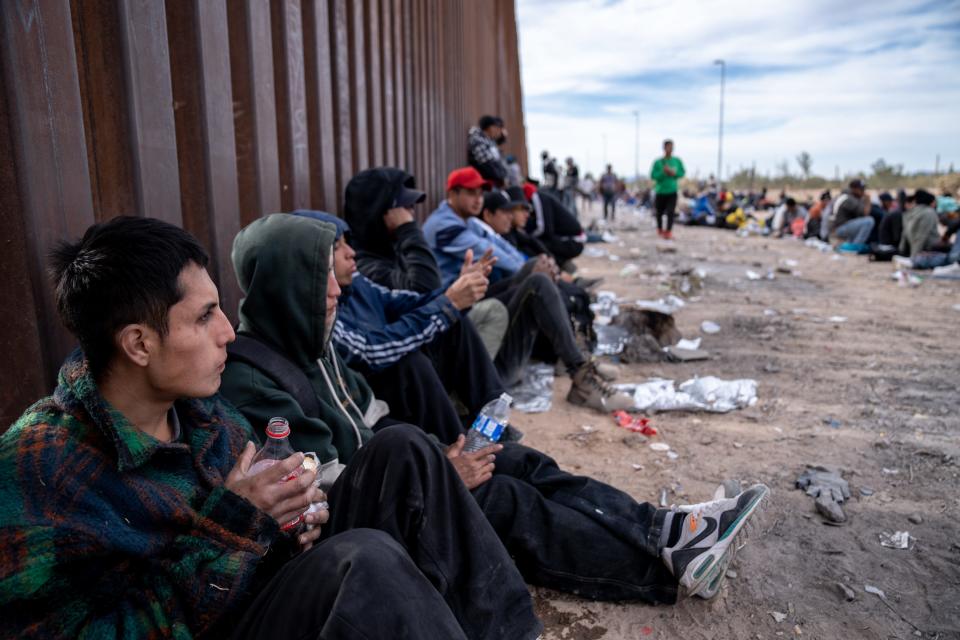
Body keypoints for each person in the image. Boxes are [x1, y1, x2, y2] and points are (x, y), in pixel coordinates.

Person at [1, 215, 542, 640]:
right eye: (204, 317)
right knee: (365, 562)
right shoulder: (41, 468)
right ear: (139, 343)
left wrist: (290, 522)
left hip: (244, 599)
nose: (228, 333)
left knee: (402, 452)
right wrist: (239, 526)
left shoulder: (204, 415)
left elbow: (259, 537)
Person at [220, 212, 773, 607]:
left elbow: (373, 417)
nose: (336, 292)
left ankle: (665, 530)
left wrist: (441, 455)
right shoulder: (256, 377)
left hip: (396, 474)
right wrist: (436, 477)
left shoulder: (318, 341)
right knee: (503, 501)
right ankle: (664, 575)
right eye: (319, 280)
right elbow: (314, 495)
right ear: (284, 286)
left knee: (511, 459)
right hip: (353, 521)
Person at [341, 166, 507, 358]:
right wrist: (408, 229)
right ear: (381, 211)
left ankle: (490, 387)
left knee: (478, 308)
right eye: (404, 207)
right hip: (409, 358)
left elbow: (428, 298)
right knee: (482, 312)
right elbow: (424, 290)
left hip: (426, 349)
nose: (410, 213)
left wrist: (460, 284)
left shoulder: (392, 247)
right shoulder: (361, 265)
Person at [651, 139, 686, 240]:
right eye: (668, 147)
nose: (670, 149)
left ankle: (668, 231)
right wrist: (663, 172)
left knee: (671, 212)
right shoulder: (658, 162)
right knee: (659, 212)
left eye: (672, 147)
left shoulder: (677, 161)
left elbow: (682, 173)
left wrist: (673, 173)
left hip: (672, 191)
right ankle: (660, 229)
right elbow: (653, 176)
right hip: (660, 191)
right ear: (664, 148)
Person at [829, 179, 874, 252]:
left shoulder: (847, 196)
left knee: (862, 222)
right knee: (869, 221)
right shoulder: (849, 199)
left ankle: (849, 245)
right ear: (854, 189)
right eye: (861, 189)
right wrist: (868, 199)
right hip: (840, 229)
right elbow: (866, 213)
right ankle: (855, 247)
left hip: (841, 227)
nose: (863, 191)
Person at [467, 114, 509, 187]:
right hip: (485, 182)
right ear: (490, 128)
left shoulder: (488, 141)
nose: (498, 131)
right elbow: (487, 166)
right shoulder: (478, 140)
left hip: (491, 181)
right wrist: (502, 176)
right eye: (497, 128)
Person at [900, 189, 943, 258]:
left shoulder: (911, 212)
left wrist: (901, 250)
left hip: (914, 247)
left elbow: (905, 233)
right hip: (927, 248)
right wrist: (914, 256)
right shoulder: (929, 212)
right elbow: (922, 235)